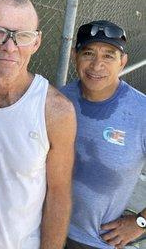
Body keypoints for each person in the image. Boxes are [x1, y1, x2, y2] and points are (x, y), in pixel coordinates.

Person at [0, 0, 76, 249]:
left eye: (22, 36)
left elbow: (58, 195)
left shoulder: (56, 111)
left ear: (36, 42)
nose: (9, 47)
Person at [61, 20, 146, 249]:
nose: (97, 65)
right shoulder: (57, 100)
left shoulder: (141, 112)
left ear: (123, 62)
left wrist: (140, 222)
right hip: (46, 226)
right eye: (88, 53)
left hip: (97, 241)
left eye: (109, 56)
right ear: (74, 56)